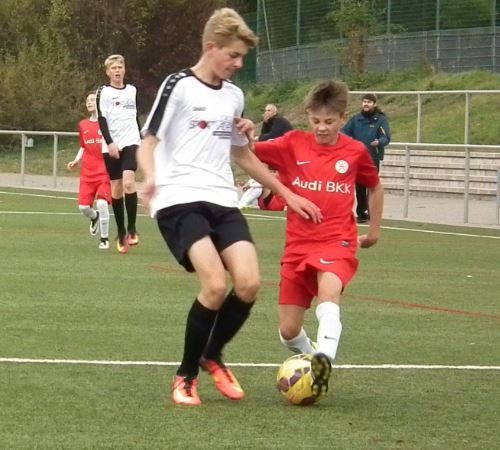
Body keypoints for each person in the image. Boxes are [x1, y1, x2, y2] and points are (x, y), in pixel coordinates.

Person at [137, 7, 322, 407]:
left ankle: (212, 355)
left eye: (242, 57)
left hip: (222, 198)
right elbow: (148, 141)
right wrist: (149, 177)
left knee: (250, 283)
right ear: (211, 47)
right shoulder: (178, 85)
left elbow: (242, 155)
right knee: (216, 285)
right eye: (233, 55)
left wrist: (287, 194)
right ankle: (185, 376)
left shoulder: (235, 95)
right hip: (178, 198)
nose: (239, 64)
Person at [254, 81, 384, 399]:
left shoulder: (355, 152)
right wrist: (244, 133)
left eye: (329, 121)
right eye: (315, 121)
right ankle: (314, 357)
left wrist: (374, 231)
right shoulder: (291, 144)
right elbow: (250, 152)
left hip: (337, 240)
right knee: (288, 331)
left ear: (342, 118)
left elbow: (375, 186)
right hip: (297, 246)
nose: (322, 128)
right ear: (308, 117)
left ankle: (324, 359)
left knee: (329, 292)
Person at [96, 54, 141, 254]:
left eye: (120, 67)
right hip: (112, 145)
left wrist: (141, 139)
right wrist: (110, 142)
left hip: (131, 141)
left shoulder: (132, 90)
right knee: (116, 188)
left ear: (124, 70)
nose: (117, 71)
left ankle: (132, 228)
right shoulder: (103, 92)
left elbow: (134, 117)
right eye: (113, 68)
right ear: (108, 72)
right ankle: (121, 231)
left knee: (129, 182)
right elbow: (102, 119)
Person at [67, 92, 111, 249]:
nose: (89, 102)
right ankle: (95, 217)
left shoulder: (107, 123)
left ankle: (104, 239)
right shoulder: (83, 125)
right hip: (87, 173)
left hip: (104, 171)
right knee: (84, 207)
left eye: (92, 100)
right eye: (87, 100)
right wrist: (76, 160)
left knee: (102, 204)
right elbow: (83, 146)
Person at [342, 93, 390, 223]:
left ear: (374, 104)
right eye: (364, 101)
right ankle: (361, 213)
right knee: (359, 186)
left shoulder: (380, 119)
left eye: (369, 102)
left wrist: (379, 142)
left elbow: (385, 136)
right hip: (357, 157)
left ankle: (372, 212)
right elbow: (344, 132)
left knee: (372, 185)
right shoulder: (356, 119)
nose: (366, 104)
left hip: (373, 156)